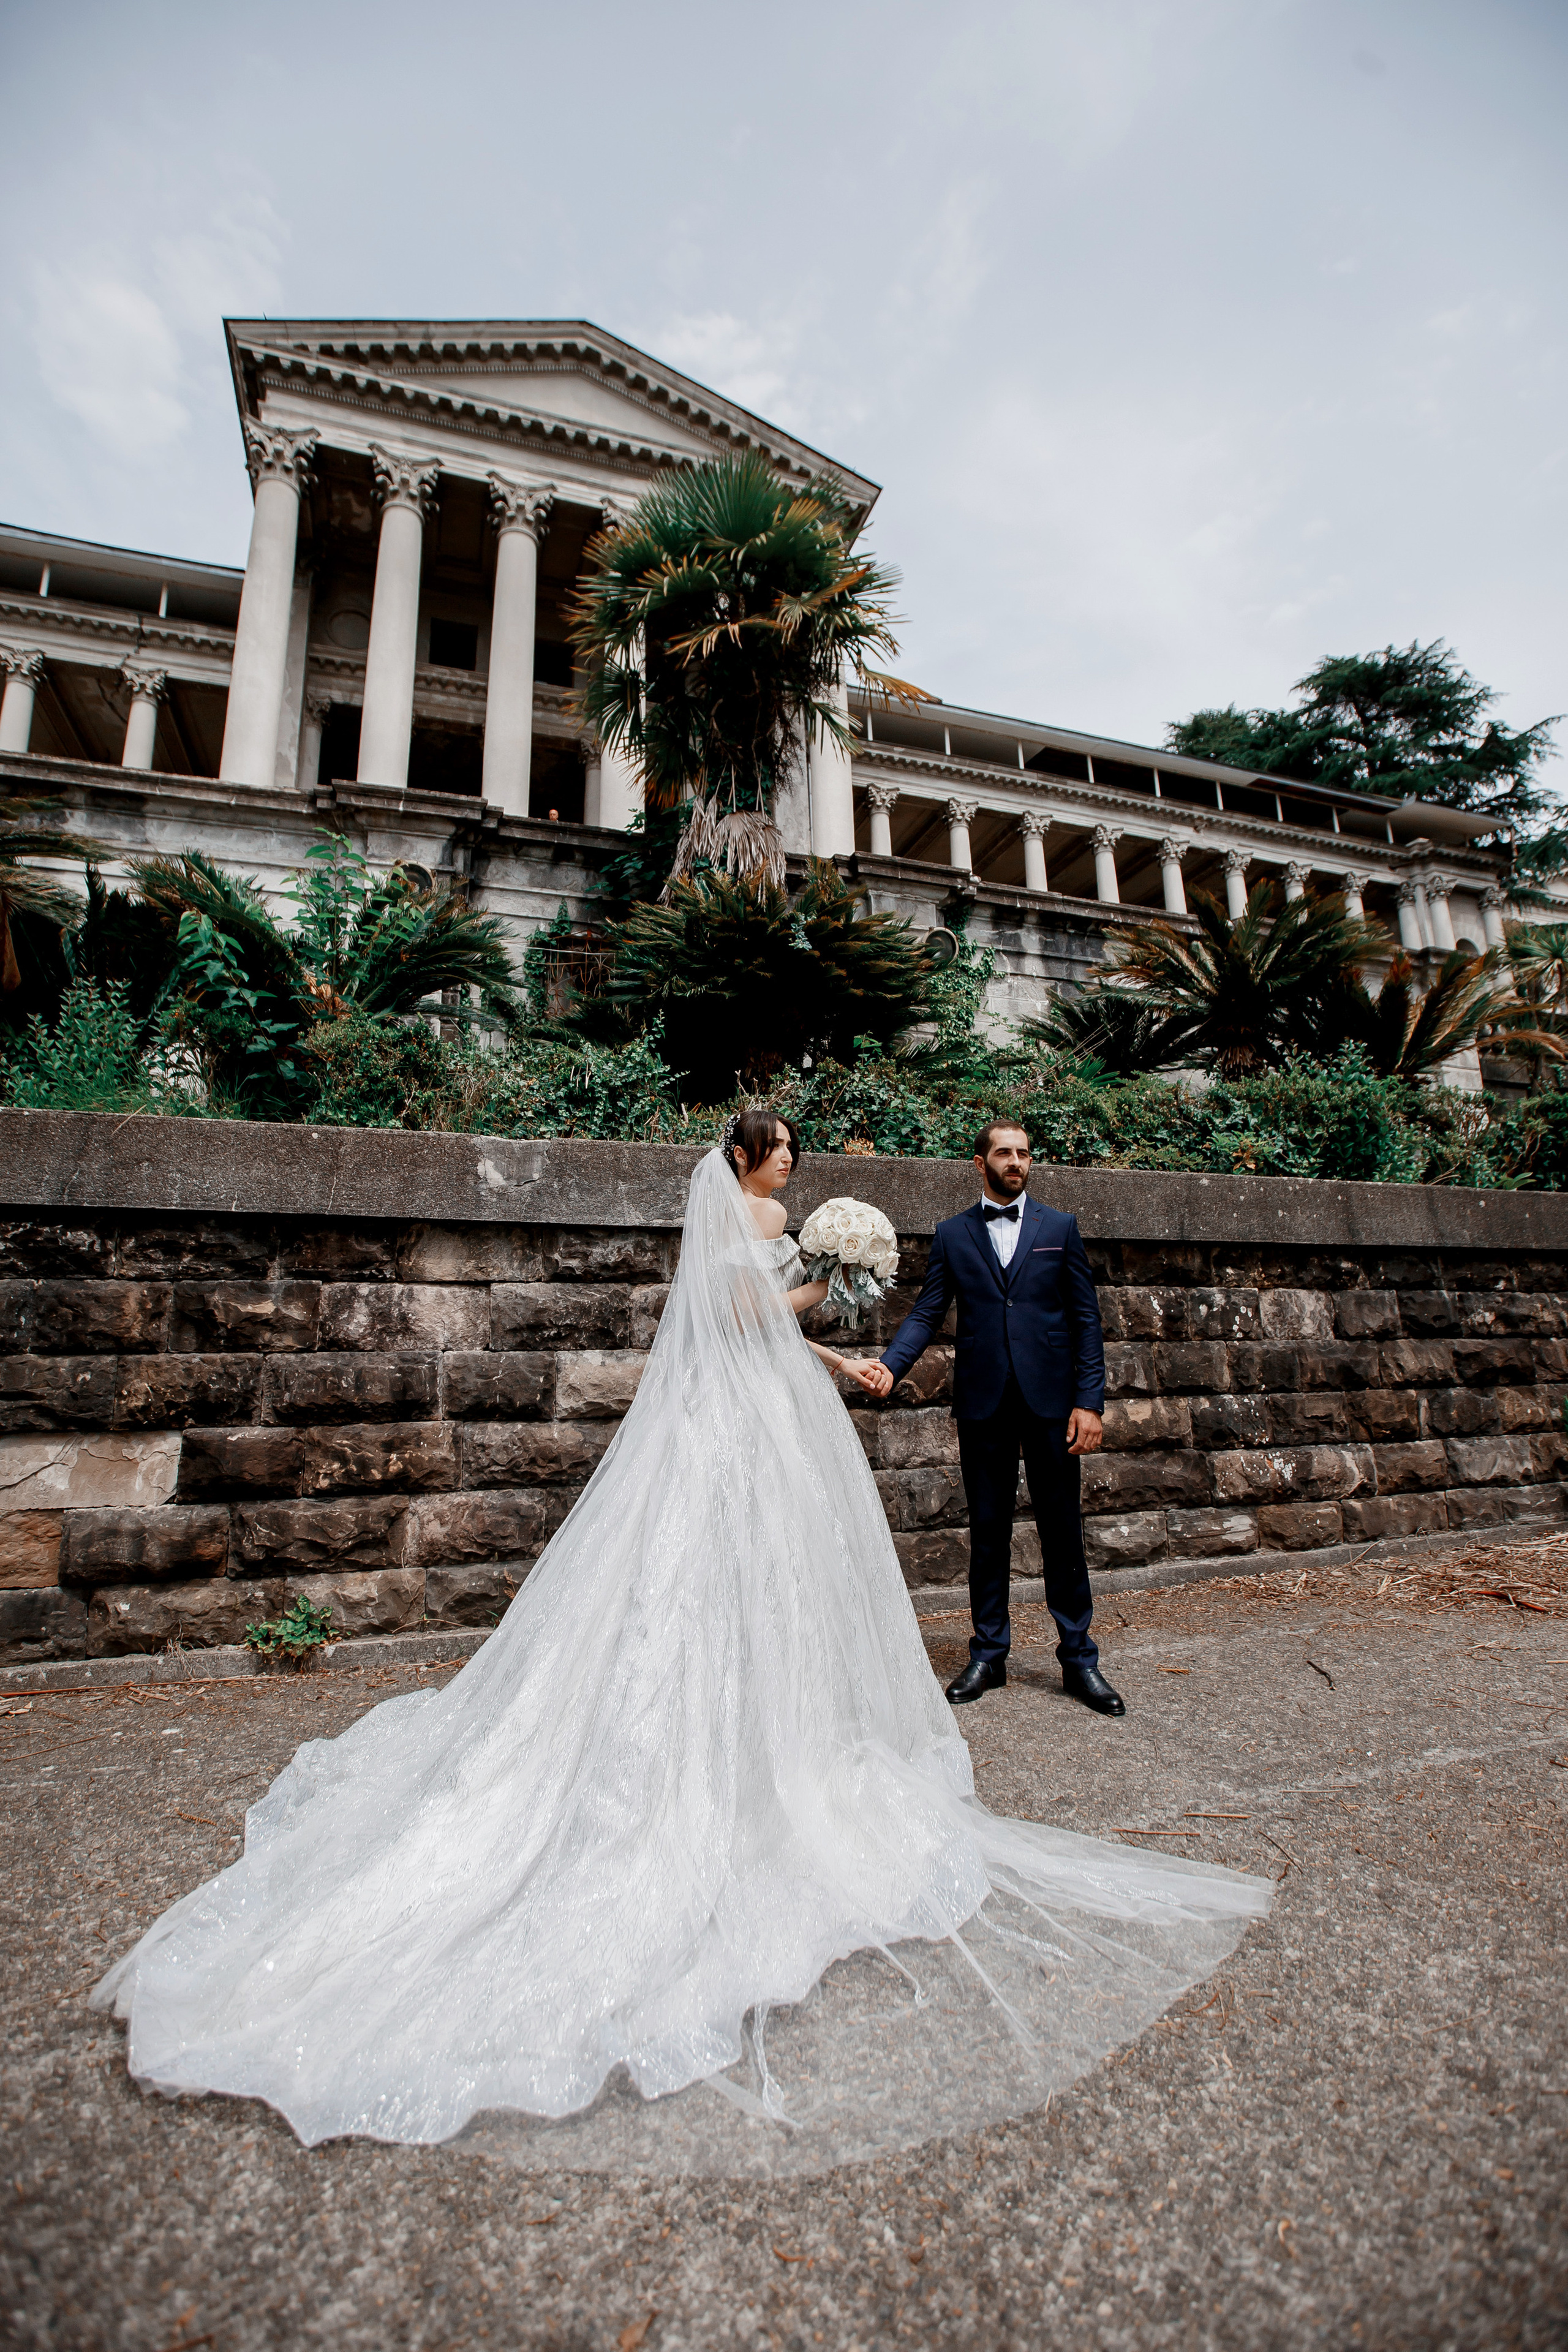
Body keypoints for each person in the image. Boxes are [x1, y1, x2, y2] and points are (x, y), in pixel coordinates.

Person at [93, 1109, 1267, 2169]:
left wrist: (845, 1346)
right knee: (727, 1580)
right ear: (750, 1160)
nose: (796, 1165)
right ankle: (771, 1743)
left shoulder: (807, 1222)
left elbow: (764, 1326)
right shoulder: (758, 1221)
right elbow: (752, 1313)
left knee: (774, 1578)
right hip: (747, 1419)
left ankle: (1042, 1658)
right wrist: (833, 1288)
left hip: (806, 1400)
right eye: (787, 1152)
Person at [861, 1119, 1122, 1715]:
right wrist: (891, 1367)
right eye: (1004, 1153)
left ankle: (1079, 1659)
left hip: (1053, 1403)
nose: (1016, 1162)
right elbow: (927, 1312)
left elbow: (1087, 1321)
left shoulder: (1060, 1228)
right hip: (984, 1402)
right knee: (987, 1531)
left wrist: (1089, 1402)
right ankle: (988, 1654)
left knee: (1062, 1532)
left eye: (1023, 1153)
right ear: (980, 1163)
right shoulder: (953, 1234)